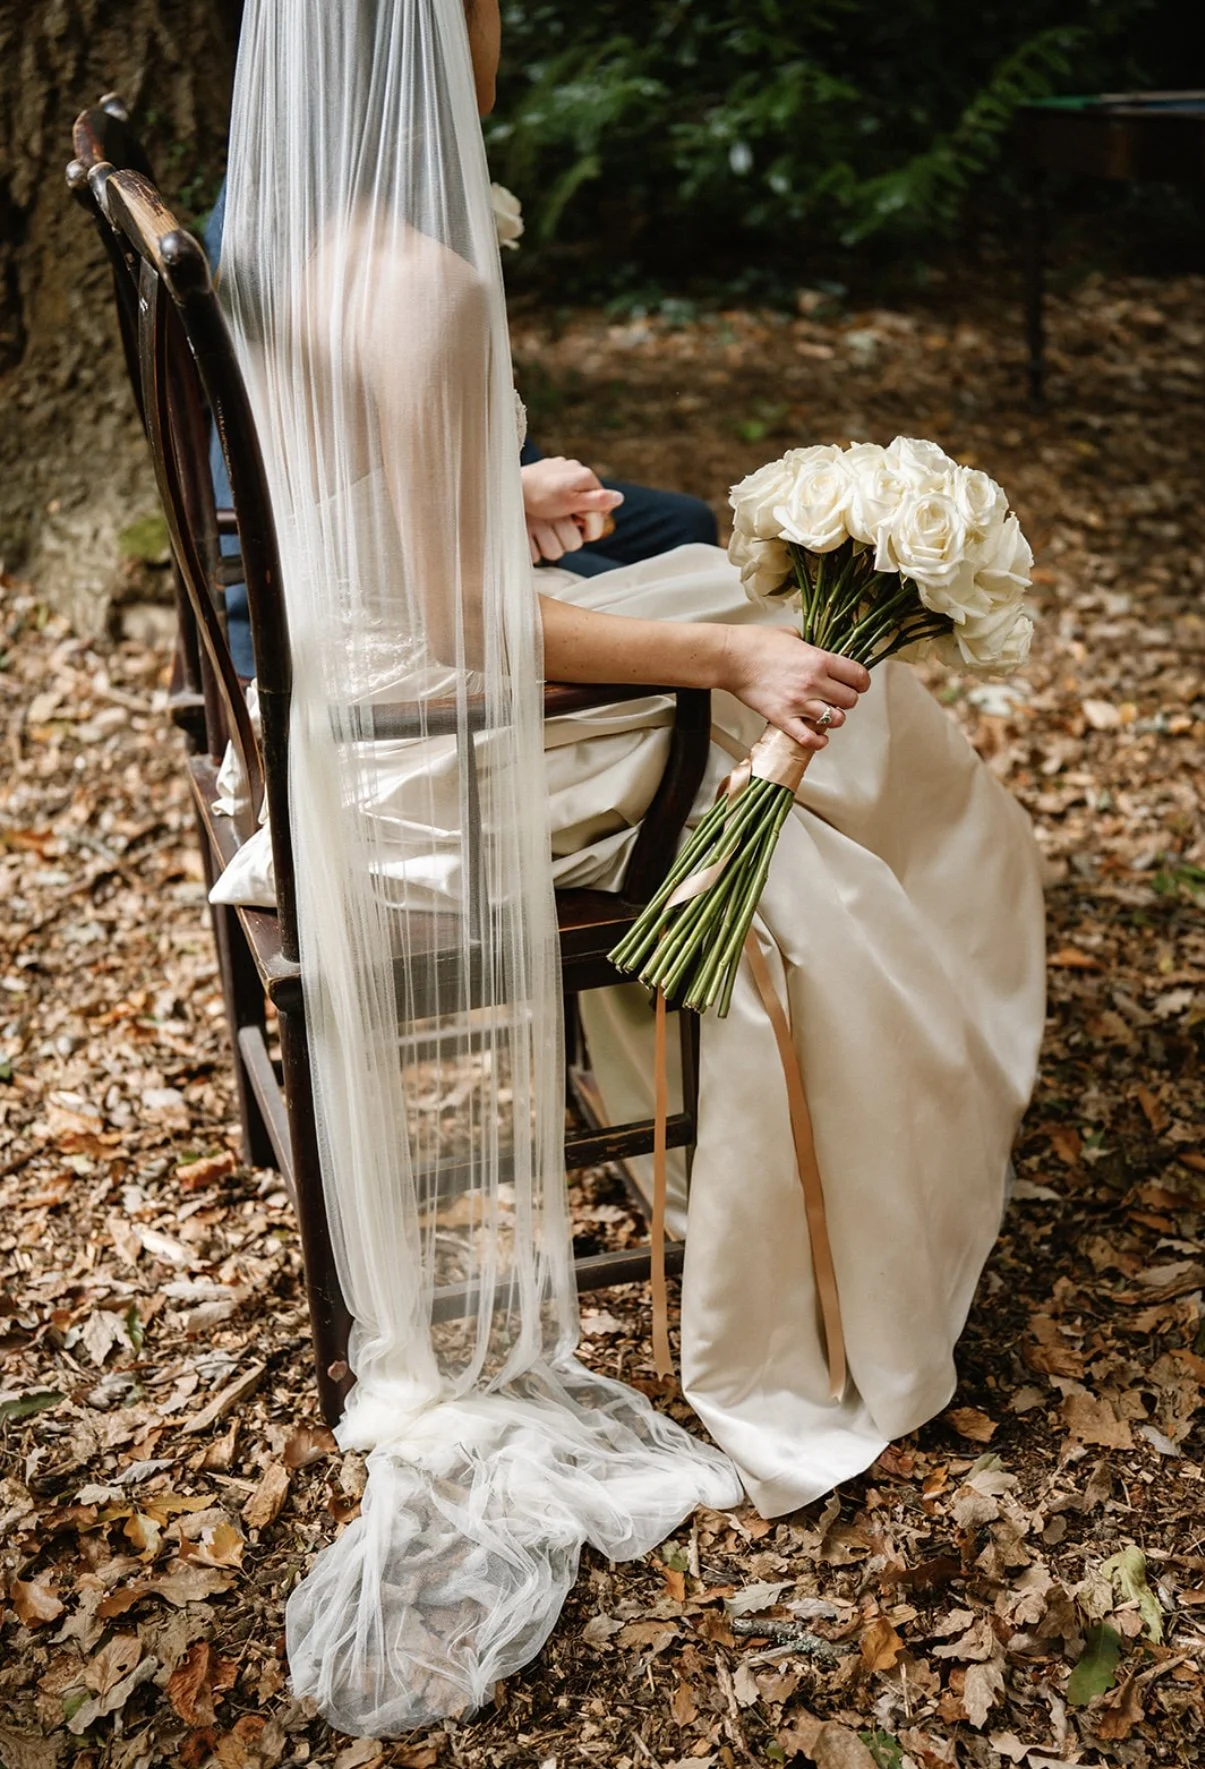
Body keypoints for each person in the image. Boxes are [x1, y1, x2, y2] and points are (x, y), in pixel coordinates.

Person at [217, 0, 1045, 1735]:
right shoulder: (427, 275)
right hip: (434, 755)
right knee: (857, 718)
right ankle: (841, 1218)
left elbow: (353, 509)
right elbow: (464, 630)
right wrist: (740, 673)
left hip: (342, 712)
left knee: (771, 634)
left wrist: (502, 486)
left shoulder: (275, 222)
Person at [202, 184, 717, 678]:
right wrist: (730, 658)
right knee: (732, 615)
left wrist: (502, 497)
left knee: (701, 564)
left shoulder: (292, 233)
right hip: (419, 691)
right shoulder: (420, 282)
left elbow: (340, 473)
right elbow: (462, 622)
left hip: (346, 645)